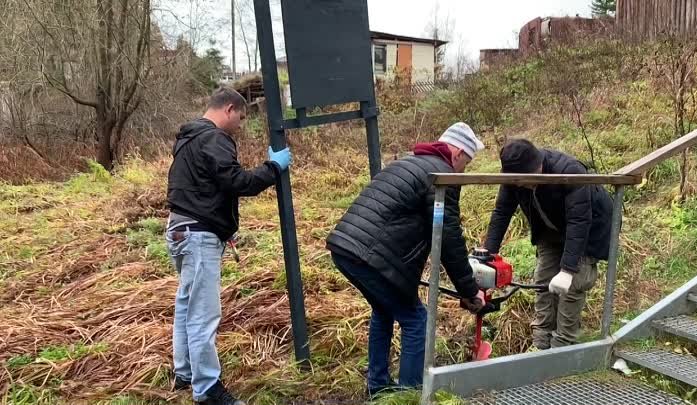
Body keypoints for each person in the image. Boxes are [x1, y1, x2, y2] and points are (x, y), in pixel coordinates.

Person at [326, 122, 487, 395]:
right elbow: (448, 237)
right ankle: (408, 396)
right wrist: (471, 290)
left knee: (384, 310)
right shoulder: (443, 175)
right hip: (370, 254)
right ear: (458, 153)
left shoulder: (412, 162)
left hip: (347, 247)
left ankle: (378, 388)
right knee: (416, 320)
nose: (464, 169)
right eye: (466, 162)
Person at [165, 87, 292, 405]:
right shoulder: (215, 138)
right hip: (198, 237)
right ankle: (207, 390)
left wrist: (220, 224)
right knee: (203, 314)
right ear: (229, 109)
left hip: (181, 230)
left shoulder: (188, 140)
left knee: (186, 305)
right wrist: (273, 168)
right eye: (242, 117)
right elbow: (238, 182)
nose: (241, 124)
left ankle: (185, 373)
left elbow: (202, 189)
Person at [483, 138, 613, 350]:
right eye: (520, 182)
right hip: (550, 229)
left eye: (528, 179)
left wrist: (568, 270)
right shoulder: (513, 176)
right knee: (543, 282)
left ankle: (563, 346)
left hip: (590, 228)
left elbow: (579, 221)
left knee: (572, 285)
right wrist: (488, 253)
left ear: (539, 166)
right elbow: (502, 211)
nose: (525, 185)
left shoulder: (569, 171)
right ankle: (541, 344)